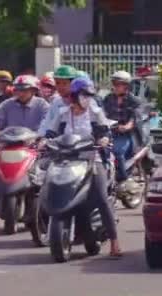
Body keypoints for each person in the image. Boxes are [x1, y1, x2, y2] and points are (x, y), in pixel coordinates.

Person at [45, 77, 122, 257]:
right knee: (46, 186)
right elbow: (50, 132)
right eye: (84, 95)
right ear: (74, 96)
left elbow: (105, 133)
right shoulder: (63, 113)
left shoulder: (95, 113)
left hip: (91, 160)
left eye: (90, 95)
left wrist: (103, 140)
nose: (87, 98)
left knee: (102, 199)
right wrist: (43, 141)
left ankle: (115, 242)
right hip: (65, 161)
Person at [0, 75, 49, 232]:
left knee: (42, 179)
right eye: (18, 89)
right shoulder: (7, 104)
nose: (21, 93)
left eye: (25, 90)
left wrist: (42, 137)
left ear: (33, 91)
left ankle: (43, 215)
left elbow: (48, 123)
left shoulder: (42, 105)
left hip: (34, 148)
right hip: (8, 146)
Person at [102, 70, 142, 186]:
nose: (115, 86)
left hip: (127, 135)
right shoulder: (108, 99)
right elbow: (102, 115)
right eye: (114, 83)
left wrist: (126, 126)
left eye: (118, 84)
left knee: (117, 152)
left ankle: (124, 181)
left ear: (126, 86)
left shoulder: (134, 101)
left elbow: (135, 118)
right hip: (110, 133)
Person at [38, 65, 76, 136]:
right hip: (58, 143)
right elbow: (47, 123)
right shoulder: (56, 101)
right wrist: (40, 137)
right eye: (58, 83)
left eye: (64, 83)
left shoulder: (83, 101)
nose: (60, 87)